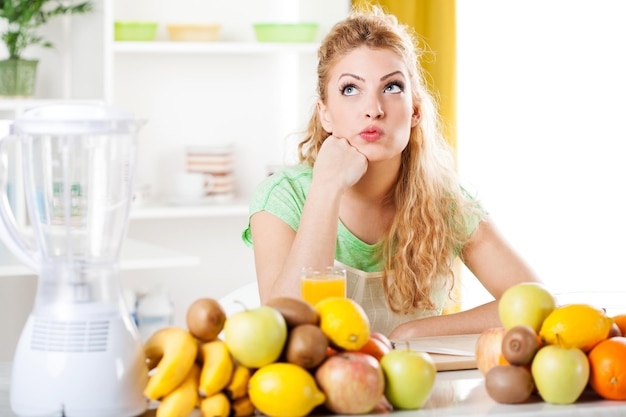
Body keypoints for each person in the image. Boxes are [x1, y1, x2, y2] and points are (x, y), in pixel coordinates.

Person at [242, 5, 540, 340]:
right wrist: (327, 186)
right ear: (325, 115)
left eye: (392, 87)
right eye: (351, 89)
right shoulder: (283, 198)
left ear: (414, 111)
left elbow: (534, 303)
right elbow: (283, 328)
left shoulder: (445, 200)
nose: (373, 109)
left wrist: (413, 331)